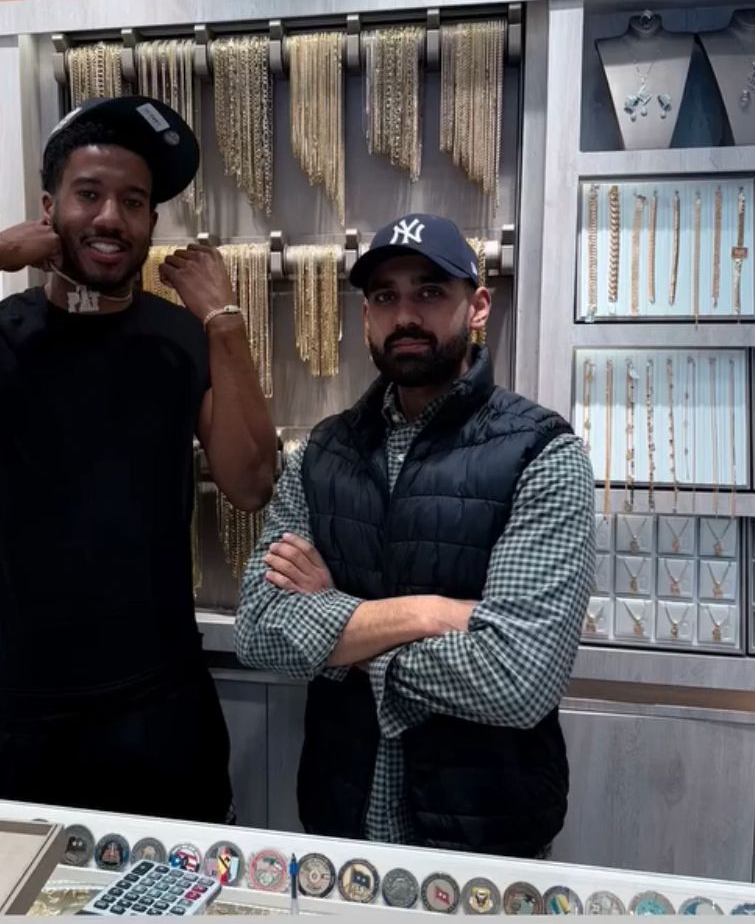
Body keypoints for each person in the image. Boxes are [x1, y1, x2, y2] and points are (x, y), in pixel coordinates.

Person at [0, 96, 276, 823]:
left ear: (151, 223)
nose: (110, 217)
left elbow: (251, 483)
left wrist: (222, 318)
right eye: (88, 194)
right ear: (47, 207)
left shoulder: (179, 339)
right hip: (32, 709)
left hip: (164, 698)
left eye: (133, 201)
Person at [235, 213, 595, 857]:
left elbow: (518, 677)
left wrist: (337, 630)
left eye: (430, 292)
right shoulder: (323, 453)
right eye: (385, 296)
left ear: (477, 306)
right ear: (367, 316)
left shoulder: (541, 450)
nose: (406, 314)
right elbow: (261, 630)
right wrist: (429, 614)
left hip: (486, 835)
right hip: (340, 826)